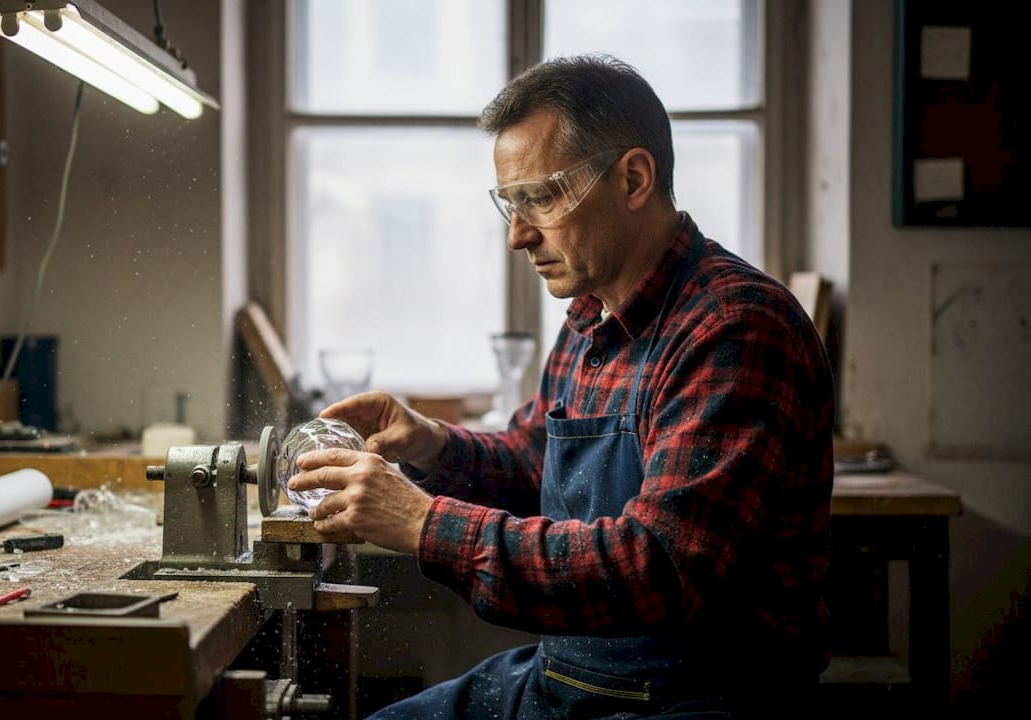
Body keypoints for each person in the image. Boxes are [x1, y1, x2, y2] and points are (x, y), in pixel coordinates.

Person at [287, 53, 835, 719]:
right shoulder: (590, 316)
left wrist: (422, 522)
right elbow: (534, 462)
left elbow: (659, 569)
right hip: (569, 681)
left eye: (541, 198)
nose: (518, 236)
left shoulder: (734, 330)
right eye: (510, 204)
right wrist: (429, 446)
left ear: (633, 178)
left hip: (695, 700)